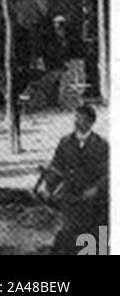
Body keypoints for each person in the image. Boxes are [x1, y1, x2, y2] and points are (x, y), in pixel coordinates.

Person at [45, 104, 108, 255]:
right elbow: (56, 166)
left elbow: (109, 174)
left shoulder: (102, 145)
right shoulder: (65, 142)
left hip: (93, 201)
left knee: (95, 239)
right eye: (75, 118)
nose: (76, 122)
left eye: (81, 119)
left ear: (91, 122)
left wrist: (97, 189)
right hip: (71, 197)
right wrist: (49, 185)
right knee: (69, 234)